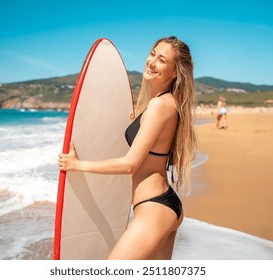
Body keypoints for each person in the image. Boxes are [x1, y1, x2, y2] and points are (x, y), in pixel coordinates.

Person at [58, 36, 197, 259]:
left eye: (161, 60)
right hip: (164, 204)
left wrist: (78, 164)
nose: (151, 62)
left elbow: (130, 164)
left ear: (175, 73)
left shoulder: (160, 105)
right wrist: (137, 124)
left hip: (154, 209)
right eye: (152, 54)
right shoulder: (168, 103)